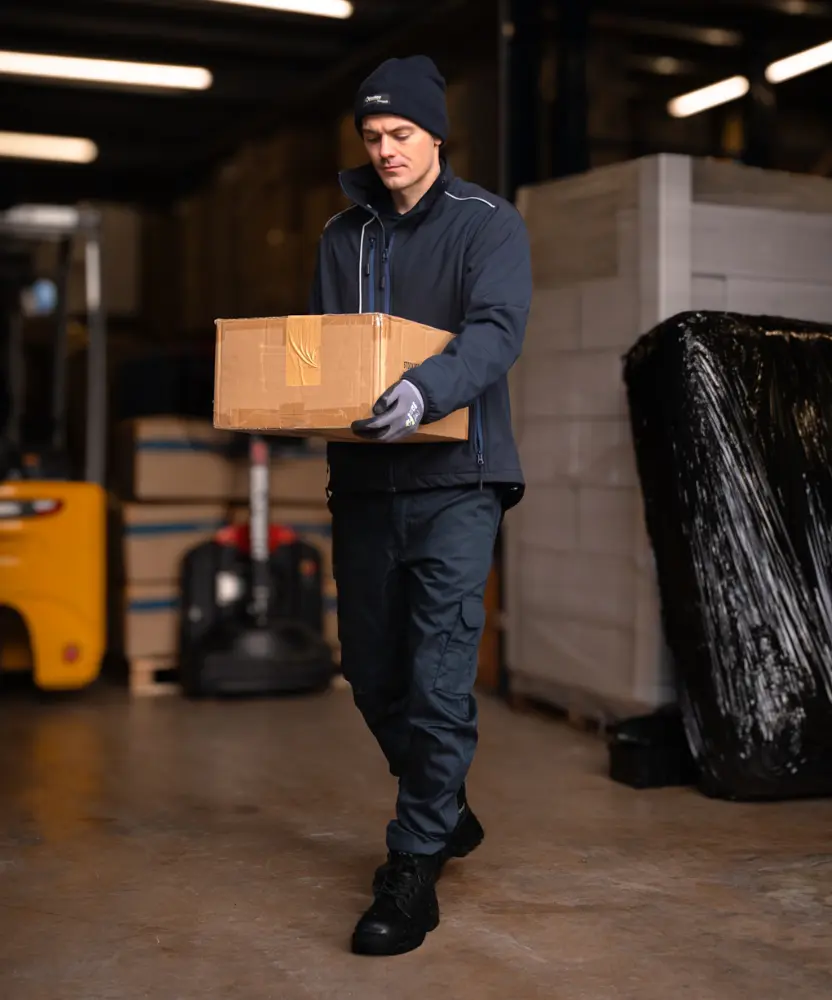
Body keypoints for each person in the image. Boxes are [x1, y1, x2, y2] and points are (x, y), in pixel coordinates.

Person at [309, 54, 532, 957]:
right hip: (365, 485)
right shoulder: (341, 235)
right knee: (370, 670)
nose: (387, 149)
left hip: (457, 482)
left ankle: (411, 869)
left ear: (436, 133)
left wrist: (424, 391)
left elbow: (496, 331)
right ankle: (442, 806)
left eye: (402, 133)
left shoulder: (488, 225)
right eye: (373, 135)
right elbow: (323, 353)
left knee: (439, 676)